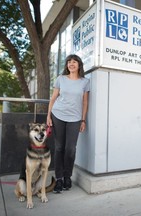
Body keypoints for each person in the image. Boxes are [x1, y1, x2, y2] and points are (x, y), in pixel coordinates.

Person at [46, 54, 90, 193]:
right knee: (59, 148)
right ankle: (59, 178)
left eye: (74, 62)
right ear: (67, 65)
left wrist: (83, 119)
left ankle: (67, 176)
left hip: (75, 118)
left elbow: (85, 102)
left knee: (70, 149)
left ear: (79, 65)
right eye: (69, 62)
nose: (71, 64)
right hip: (58, 115)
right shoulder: (61, 79)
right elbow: (53, 98)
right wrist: (48, 115)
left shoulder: (85, 81)